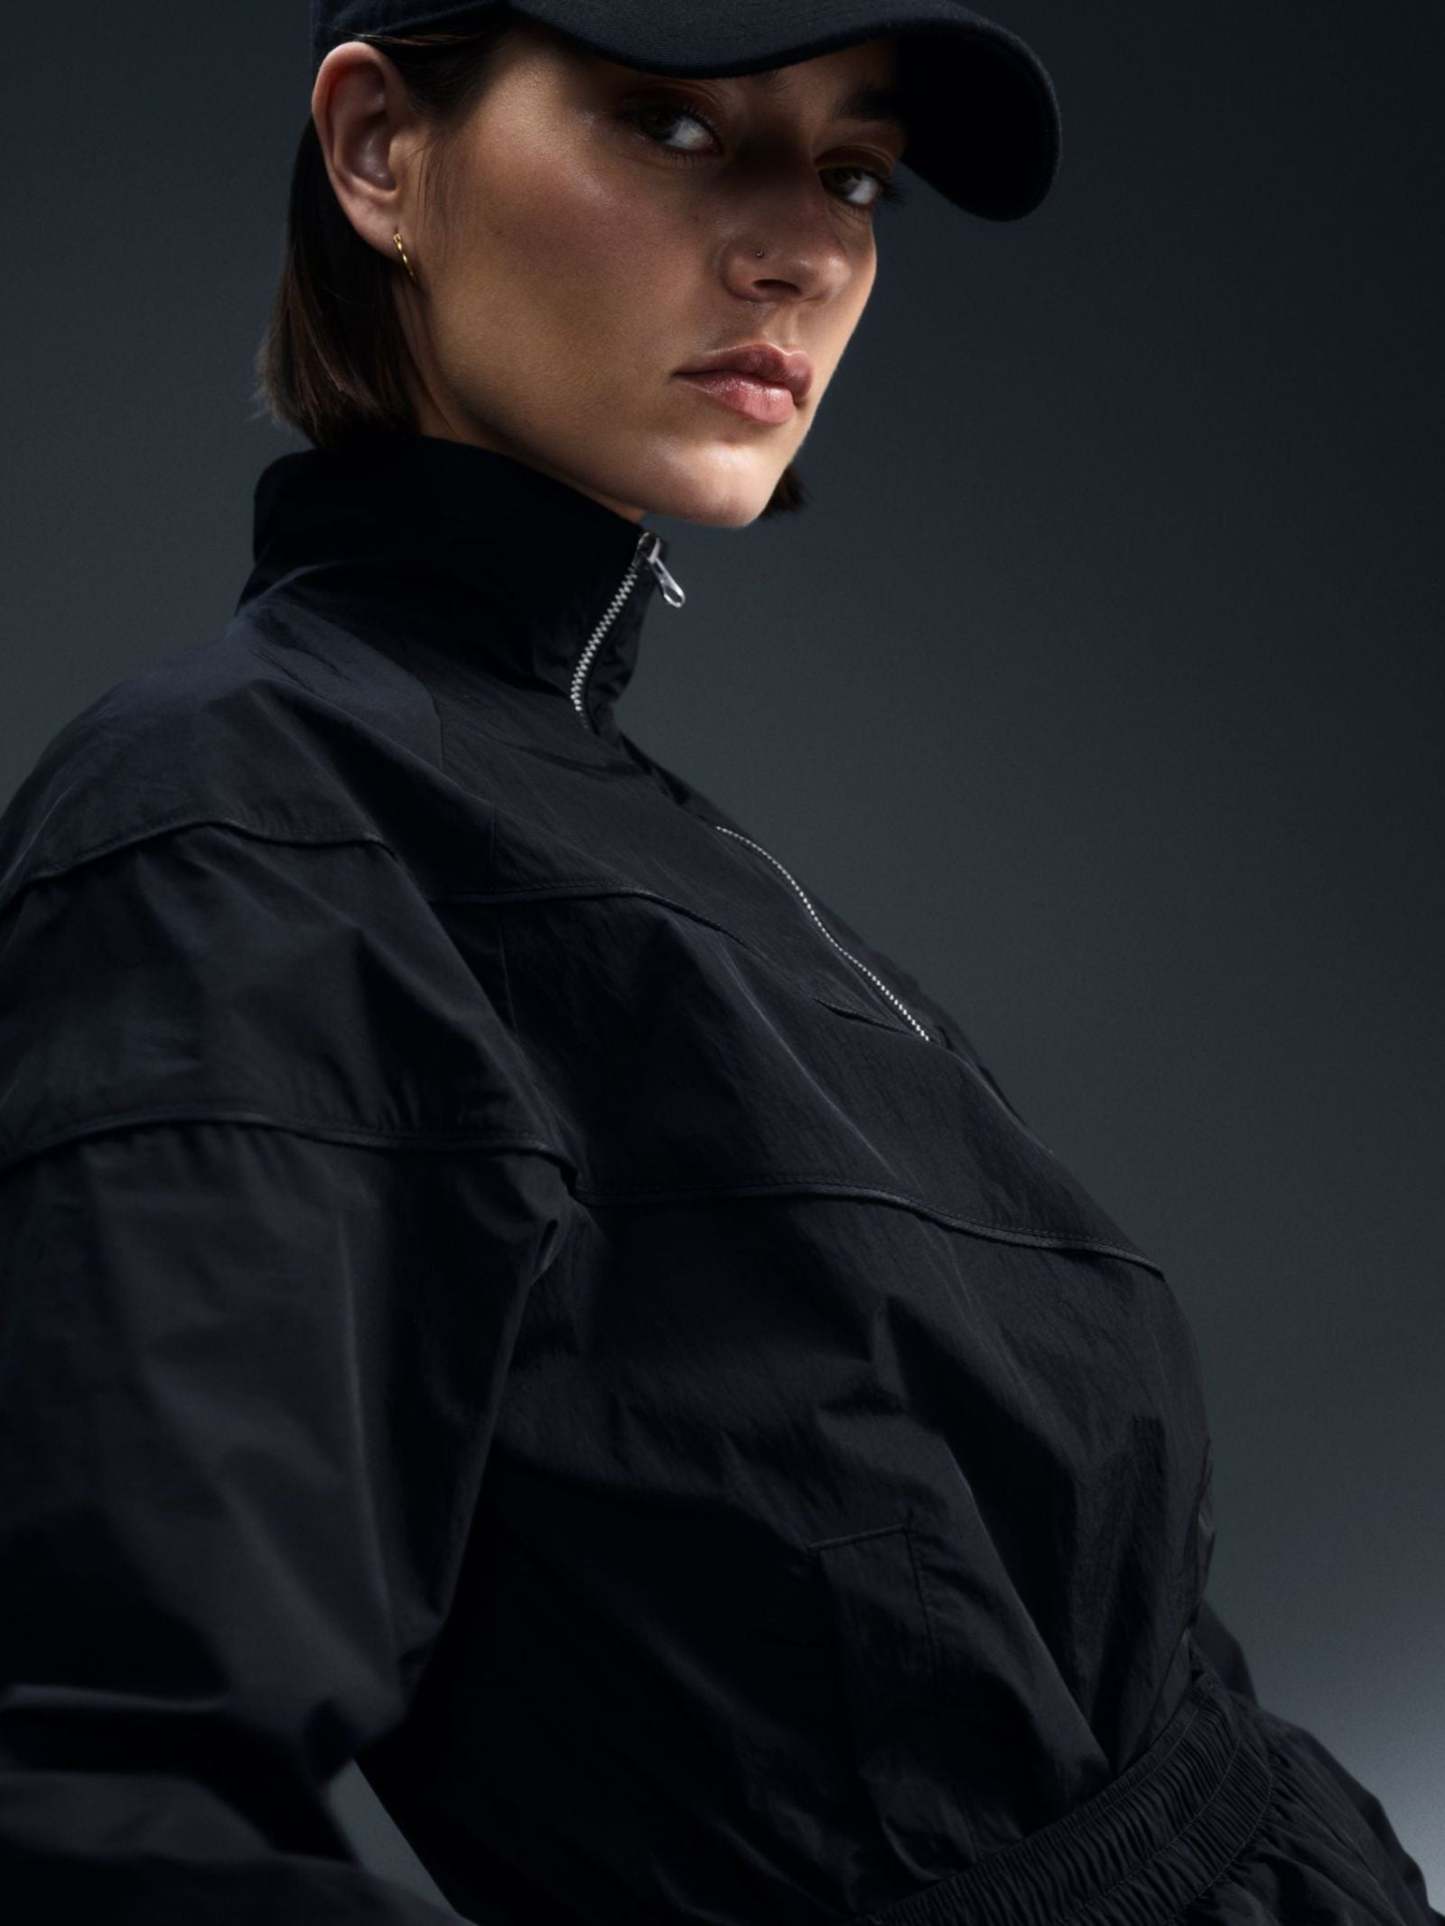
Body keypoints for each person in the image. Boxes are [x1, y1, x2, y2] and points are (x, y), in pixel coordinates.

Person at [0, 3, 1437, 1922]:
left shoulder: (611, 816)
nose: (806, 249)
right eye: (674, 127)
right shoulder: (241, 824)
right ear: (379, 152)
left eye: (852, 171)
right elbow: (90, 1801)